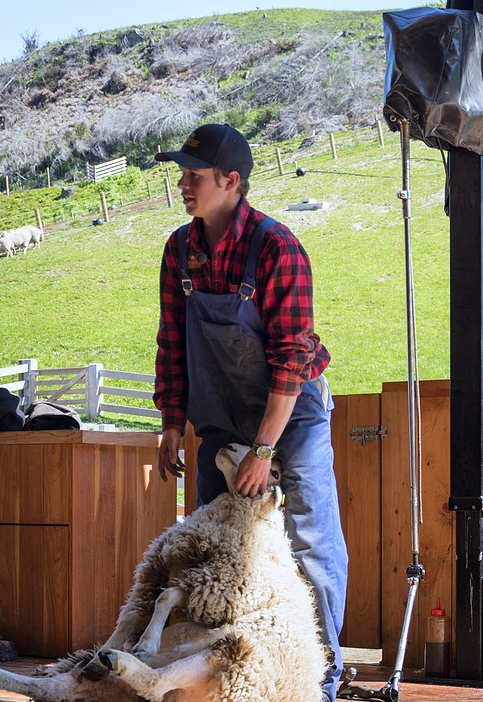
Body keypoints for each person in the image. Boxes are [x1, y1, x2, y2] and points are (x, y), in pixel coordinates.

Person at [152, 123, 348, 702]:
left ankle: (323, 678)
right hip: (218, 418)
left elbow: (291, 359)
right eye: (182, 174)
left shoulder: (277, 247)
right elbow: (172, 342)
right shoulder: (178, 251)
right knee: (211, 547)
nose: (184, 184)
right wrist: (170, 423)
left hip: (293, 416)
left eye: (195, 175)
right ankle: (224, 678)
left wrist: (265, 451)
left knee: (310, 539)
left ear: (231, 181)